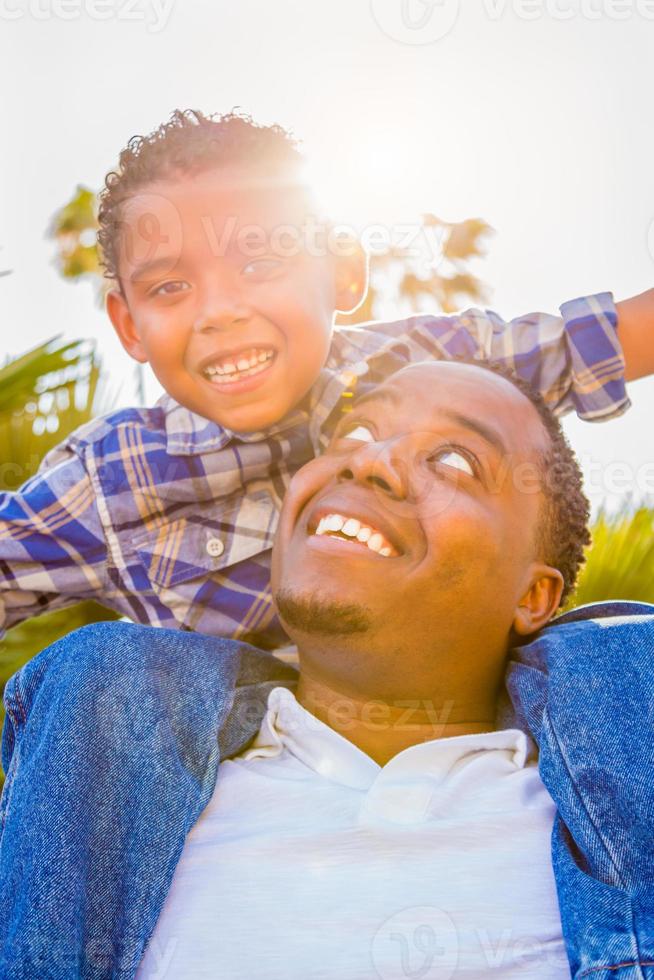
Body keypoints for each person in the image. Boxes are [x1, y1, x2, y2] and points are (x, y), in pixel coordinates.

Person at [1, 361, 652, 979]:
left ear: (532, 596)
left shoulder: (613, 792)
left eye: (455, 460)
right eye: (356, 431)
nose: (369, 459)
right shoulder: (100, 757)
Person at [2, 108, 654, 650]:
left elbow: (607, 339)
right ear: (131, 327)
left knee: (601, 652)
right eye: (171, 287)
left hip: (442, 715)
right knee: (100, 671)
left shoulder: (433, 365)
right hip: (243, 771)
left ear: (342, 271)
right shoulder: (110, 479)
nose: (219, 311)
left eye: (260, 264)